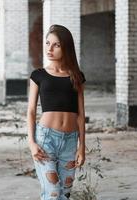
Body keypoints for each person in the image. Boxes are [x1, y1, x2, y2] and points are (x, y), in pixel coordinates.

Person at [27, 24, 86, 200]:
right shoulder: (38, 75)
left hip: (70, 141)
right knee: (53, 193)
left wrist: (81, 146)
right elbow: (31, 111)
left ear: (66, 47)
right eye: (47, 43)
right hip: (46, 139)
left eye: (56, 45)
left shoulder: (76, 76)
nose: (49, 49)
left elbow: (81, 114)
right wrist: (31, 143)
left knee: (65, 193)